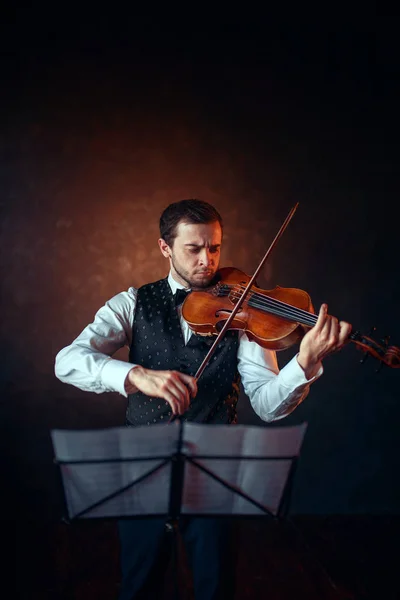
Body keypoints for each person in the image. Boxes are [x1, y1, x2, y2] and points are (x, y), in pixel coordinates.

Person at [55, 198, 351, 599]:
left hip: (214, 467)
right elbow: (67, 361)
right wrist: (135, 374)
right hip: (143, 464)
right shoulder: (131, 303)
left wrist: (305, 361)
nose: (206, 262)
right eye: (193, 249)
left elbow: (267, 404)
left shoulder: (243, 312)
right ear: (165, 248)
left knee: (216, 586)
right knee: (140, 584)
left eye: (214, 248)